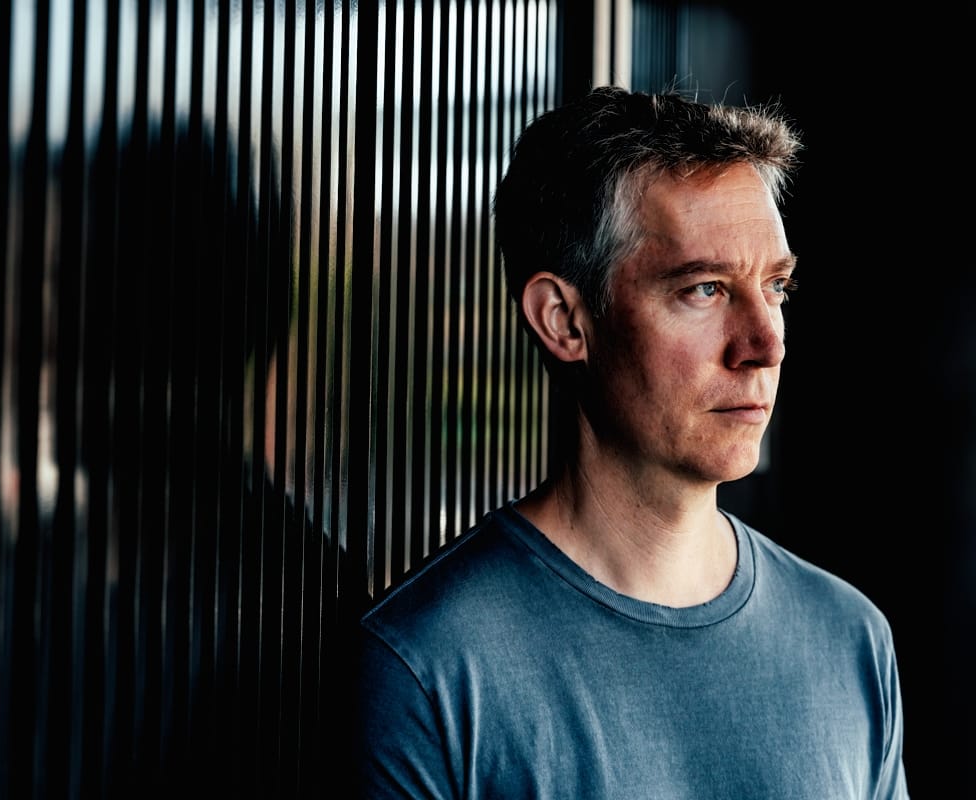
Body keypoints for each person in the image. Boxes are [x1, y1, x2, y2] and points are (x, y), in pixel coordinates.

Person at [349, 86, 909, 798]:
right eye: (704, 290)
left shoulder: (850, 640)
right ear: (565, 321)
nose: (765, 344)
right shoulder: (428, 669)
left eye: (776, 289)